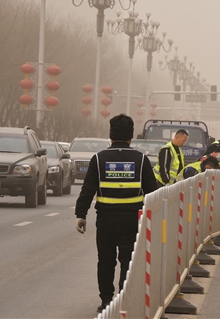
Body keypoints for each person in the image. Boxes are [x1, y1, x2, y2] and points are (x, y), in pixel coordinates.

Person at [74, 114, 158, 314]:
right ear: (130, 137)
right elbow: (152, 192)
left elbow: (88, 189)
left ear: (111, 136)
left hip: (106, 220)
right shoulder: (141, 159)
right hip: (132, 220)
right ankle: (124, 298)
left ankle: (106, 301)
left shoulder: (98, 158)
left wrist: (81, 214)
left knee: (106, 260)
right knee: (128, 260)